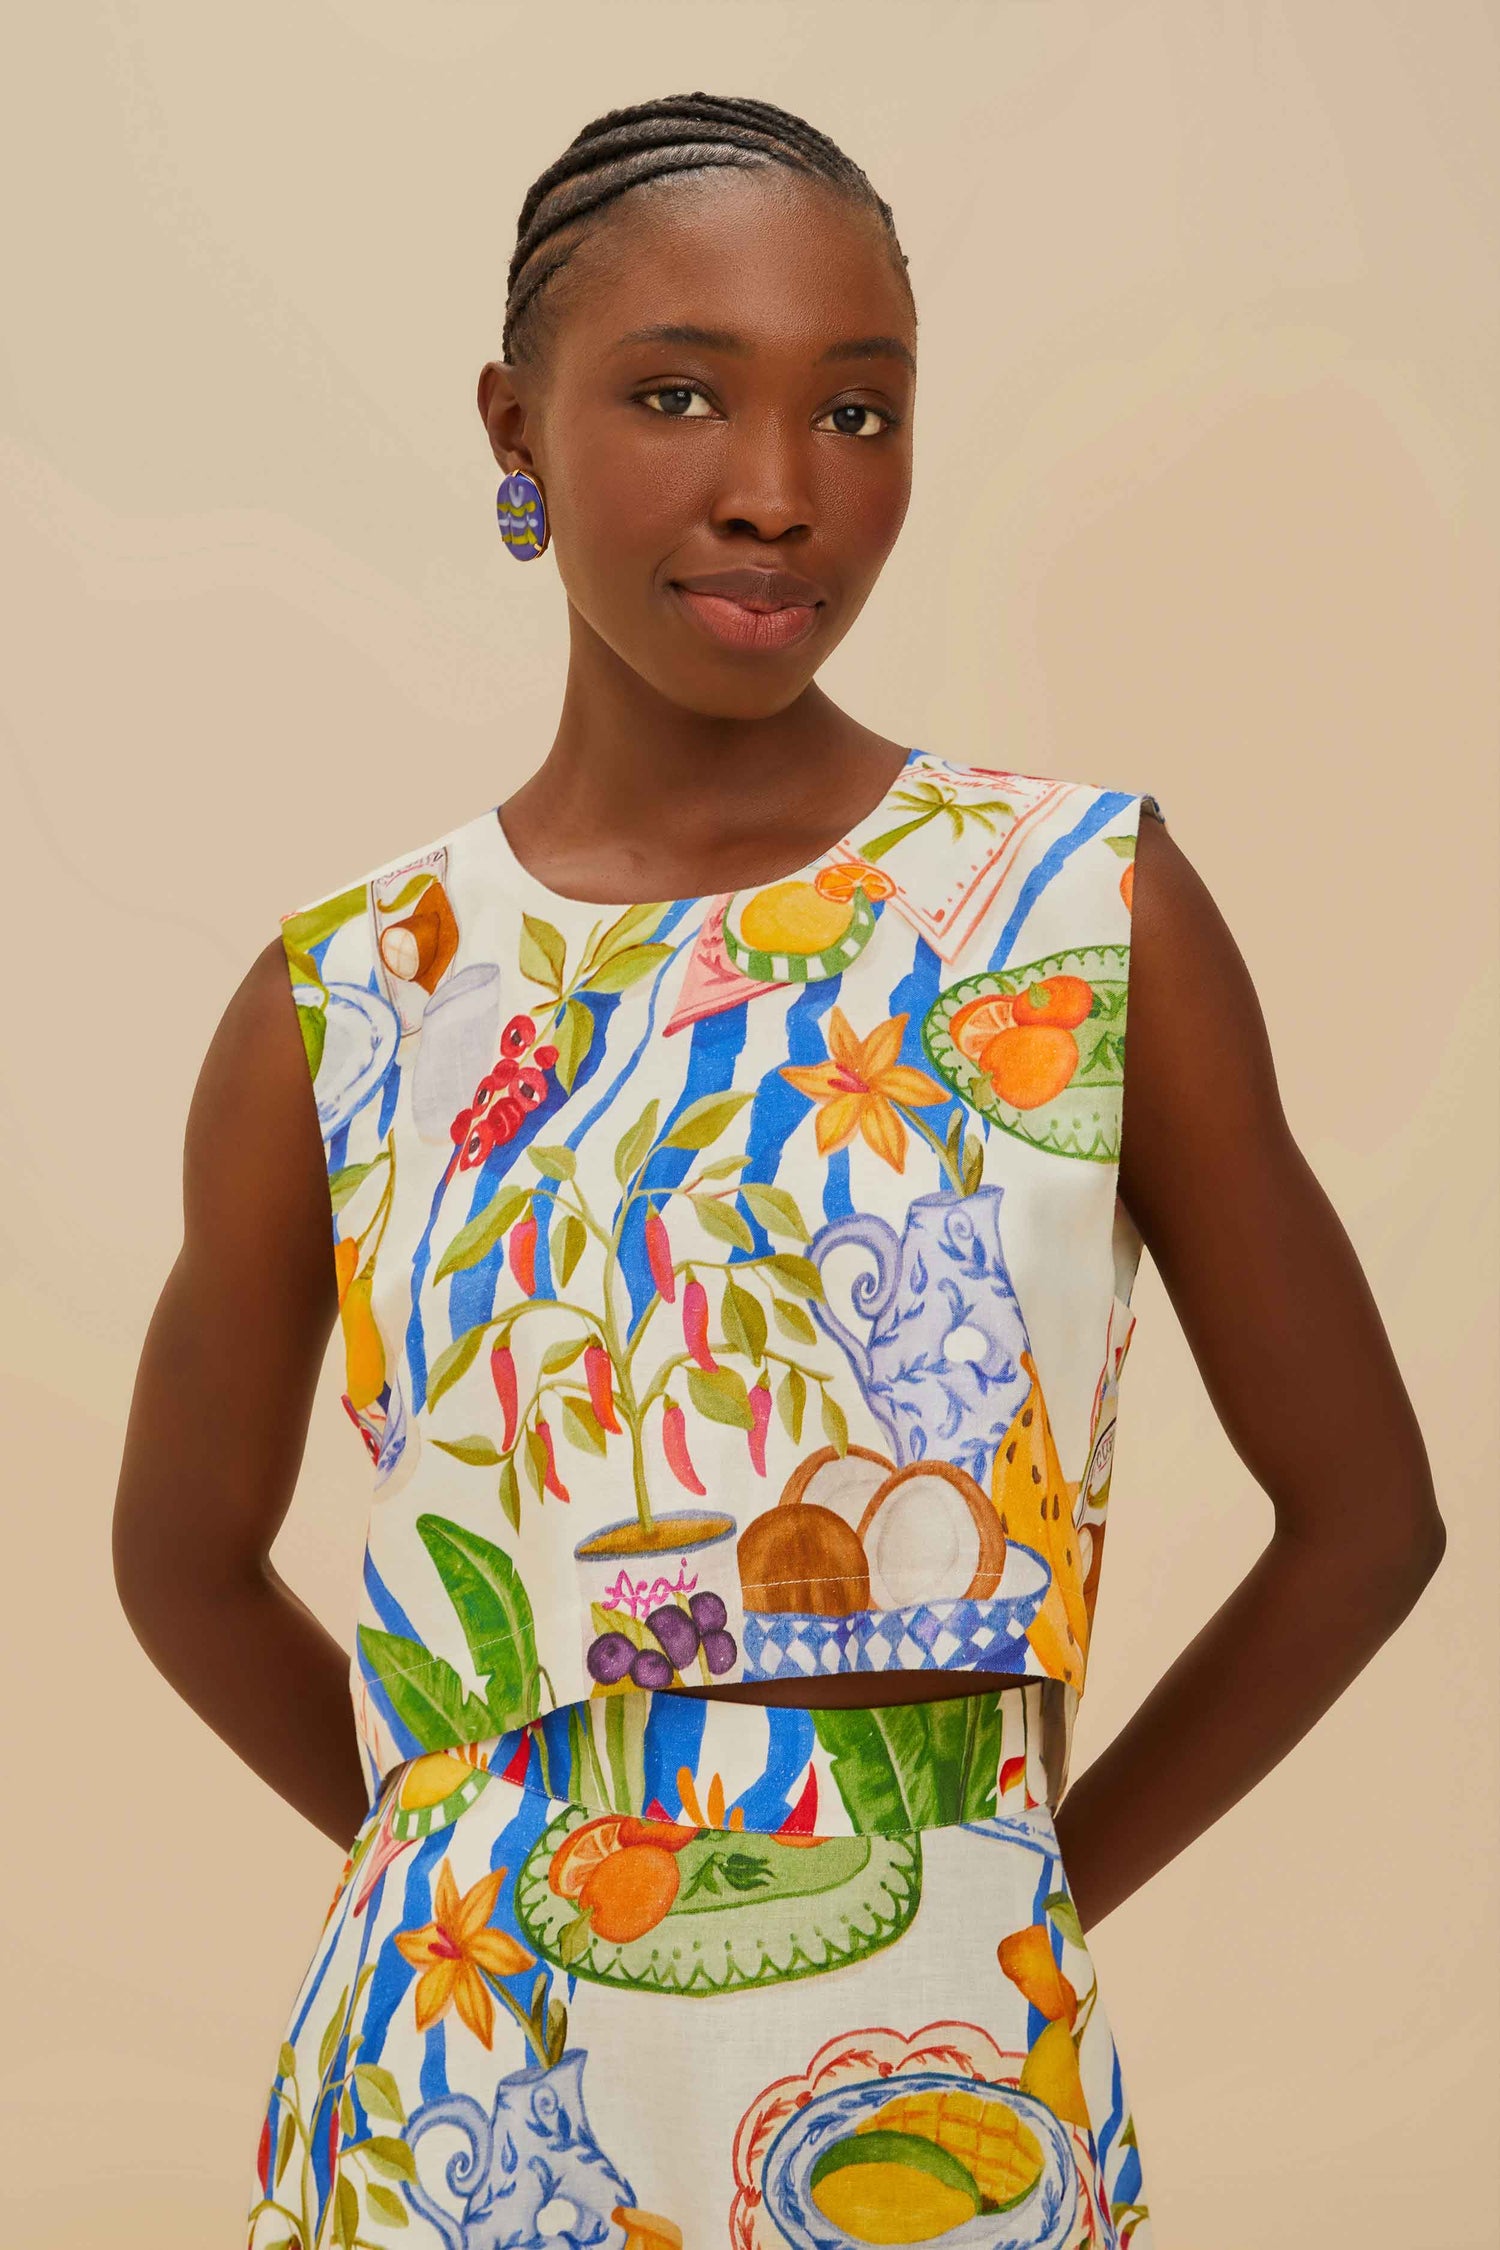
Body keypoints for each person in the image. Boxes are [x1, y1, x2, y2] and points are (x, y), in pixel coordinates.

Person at [112, 91, 1444, 2250]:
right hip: (449, 2123)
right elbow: (177, 1560)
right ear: (515, 429)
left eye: (856, 410)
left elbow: (1371, 1520)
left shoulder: (1072, 916)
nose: (776, 489)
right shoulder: (354, 997)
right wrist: (452, 1837)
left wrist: (1018, 1889)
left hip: (946, 2096)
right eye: (677, 395)